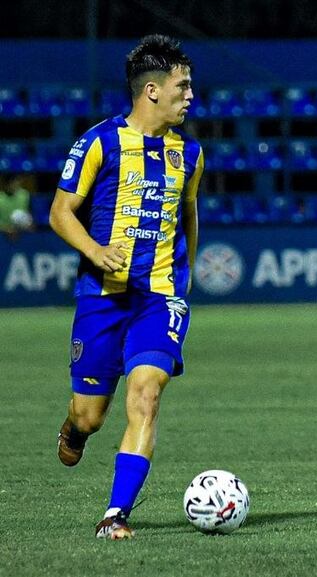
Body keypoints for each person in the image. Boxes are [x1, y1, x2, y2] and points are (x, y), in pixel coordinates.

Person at [49, 35, 203, 540]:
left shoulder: (192, 153)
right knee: (89, 418)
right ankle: (73, 427)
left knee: (146, 394)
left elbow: (190, 216)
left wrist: (186, 278)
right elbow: (59, 213)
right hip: (101, 299)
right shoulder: (99, 142)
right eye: (182, 87)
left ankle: (115, 514)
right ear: (152, 90)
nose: (190, 96)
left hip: (159, 297)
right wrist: (95, 252)